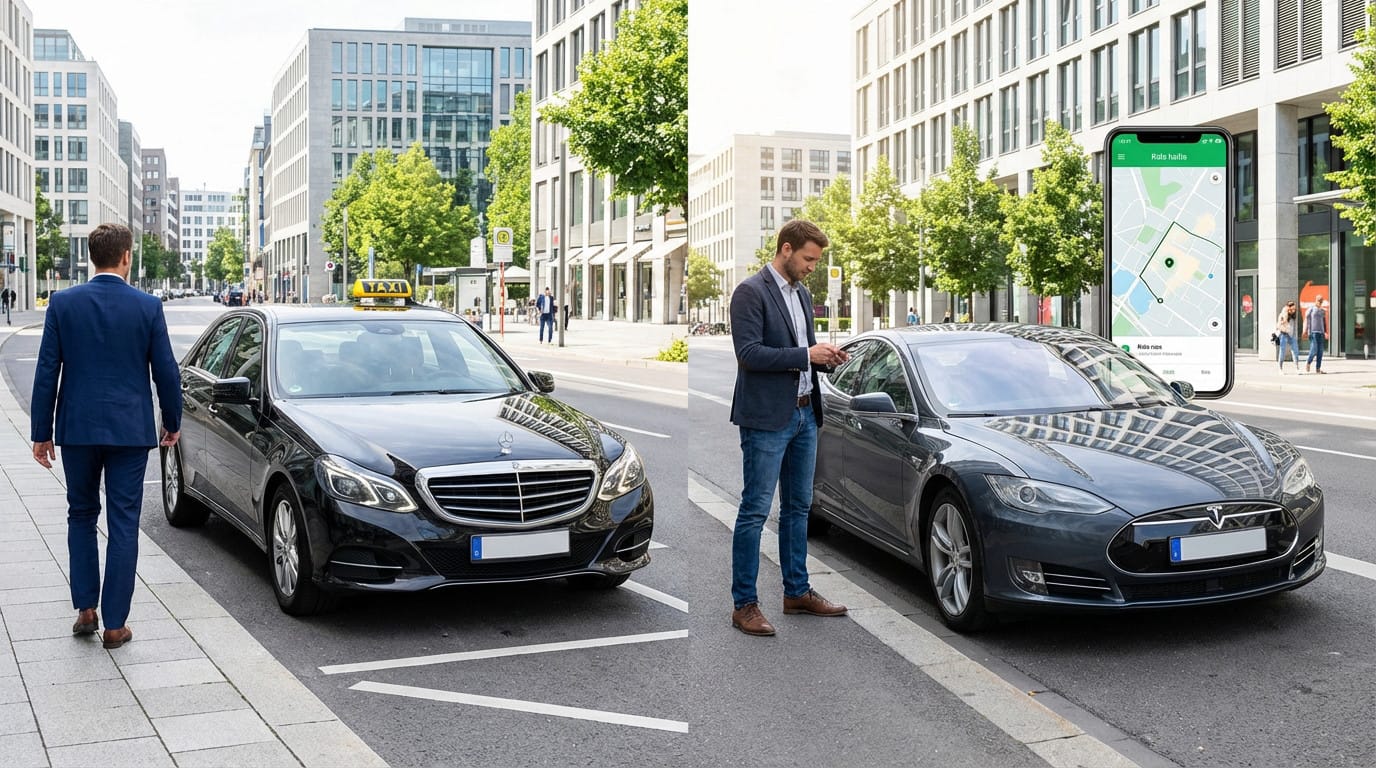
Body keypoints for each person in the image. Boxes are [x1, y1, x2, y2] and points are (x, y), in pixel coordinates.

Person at [30, 223, 182, 650]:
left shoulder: (63, 303)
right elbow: (166, 372)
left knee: (80, 514)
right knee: (123, 524)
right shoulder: (148, 306)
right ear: (126, 256)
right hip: (130, 432)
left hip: (77, 429)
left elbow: (47, 371)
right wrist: (172, 419)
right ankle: (116, 624)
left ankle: (86, 610)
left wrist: (42, 433)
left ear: (91, 257)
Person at [728, 218, 850, 637]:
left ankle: (796, 592)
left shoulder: (802, 295)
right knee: (754, 511)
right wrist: (805, 355)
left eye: (816, 261)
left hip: (803, 414)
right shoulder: (749, 291)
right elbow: (749, 354)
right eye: (808, 258)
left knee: (799, 509)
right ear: (786, 249)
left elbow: (802, 354)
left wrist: (824, 358)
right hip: (766, 419)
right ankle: (744, 604)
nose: (813, 266)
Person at [1303, 297, 1329, 374]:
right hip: (1313, 332)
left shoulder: (1322, 310)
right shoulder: (1311, 309)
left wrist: (1326, 332)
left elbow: (1324, 322)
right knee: (1314, 349)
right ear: (1316, 300)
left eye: (1321, 301)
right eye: (1319, 301)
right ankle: (1308, 362)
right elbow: (1307, 320)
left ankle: (1318, 368)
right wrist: (1306, 331)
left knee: (1320, 351)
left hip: (1321, 332)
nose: (1320, 302)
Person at [1275, 300, 1300, 372]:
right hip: (1283, 334)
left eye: (1294, 309)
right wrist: (1285, 316)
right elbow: (1278, 325)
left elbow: (1294, 326)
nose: (1293, 311)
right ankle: (1280, 368)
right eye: (1292, 309)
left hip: (1291, 334)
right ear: (1288, 308)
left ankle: (1297, 367)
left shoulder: (1293, 315)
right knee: (1282, 351)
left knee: (1295, 350)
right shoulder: (1283, 314)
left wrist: (1294, 334)